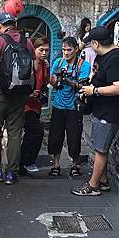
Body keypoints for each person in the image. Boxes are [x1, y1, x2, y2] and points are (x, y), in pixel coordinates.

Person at [72, 26, 119, 196]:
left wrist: (94, 91)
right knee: (98, 146)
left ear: (97, 43)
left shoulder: (116, 59)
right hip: (99, 108)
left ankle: (93, 186)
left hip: (109, 111)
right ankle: (103, 181)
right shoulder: (102, 56)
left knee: (100, 150)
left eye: (91, 44)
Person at [0, 12, 35, 185]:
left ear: (0, 25)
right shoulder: (27, 42)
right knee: (14, 135)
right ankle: (11, 173)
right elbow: (33, 67)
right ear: (14, 24)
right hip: (19, 95)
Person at [48, 36, 91, 177]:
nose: (66, 53)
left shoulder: (83, 65)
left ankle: (75, 164)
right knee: (55, 136)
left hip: (74, 106)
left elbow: (83, 86)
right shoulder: (58, 63)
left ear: (76, 50)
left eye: (69, 50)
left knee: (74, 136)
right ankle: (55, 164)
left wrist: (66, 80)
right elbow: (53, 82)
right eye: (63, 50)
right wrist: (55, 80)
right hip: (59, 105)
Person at [20, 38, 51, 174]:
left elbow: (46, 83)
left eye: (46, 50)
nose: (44, 53)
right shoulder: (27, 65)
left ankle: (22, 165)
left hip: (36, 105)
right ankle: (28, 161)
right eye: (41, 50)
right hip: (24, 105)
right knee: (37, 132)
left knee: (29, 135)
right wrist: (28, 95)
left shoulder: (45, 66)